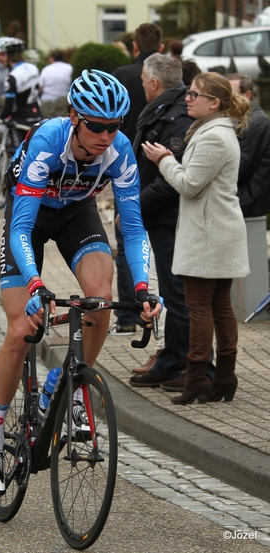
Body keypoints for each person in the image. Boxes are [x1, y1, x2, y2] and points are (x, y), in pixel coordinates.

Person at [0, 69, 162, 495]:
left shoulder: (120, 154)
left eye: (114, 127)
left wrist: (144, 288)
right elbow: (20, 229)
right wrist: (37, 284)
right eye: (96, 126)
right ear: (75, 117)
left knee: (101, 297)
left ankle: (72, 388)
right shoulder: (48, 141)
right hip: (30, 218)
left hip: (77, 213)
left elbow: (132, 230)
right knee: (23, 328)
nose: (106, 136)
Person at [142, 72, 250, 405]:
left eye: (194, 94)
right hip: (217, 231)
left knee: (200, 308)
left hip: (209, 234)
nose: (188, 98)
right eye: (189, 93)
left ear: (214, 103)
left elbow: (189, 184)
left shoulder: (213, 136)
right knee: (219, 308)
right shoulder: (214, 131)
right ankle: (223, 378)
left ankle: (199, 378)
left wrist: (164, 160)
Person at [127, 53, 193, 389]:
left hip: (169, 217)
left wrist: (134, 206)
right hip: (162, 215)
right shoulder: (169, 107)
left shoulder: (177, 115)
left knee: (176, 292)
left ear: (154, 83)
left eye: (142, 80)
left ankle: (180, 362)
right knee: (173, 290)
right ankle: (174, 357)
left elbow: (169, 179)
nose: (141, 84)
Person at [111, 22, 163, 336]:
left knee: (126, 237)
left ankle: (128, 317)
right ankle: (153, 311)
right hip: (160, 167)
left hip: (124, 166)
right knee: (161, 243)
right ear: (159, 48)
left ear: (134, 46)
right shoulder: (167, 77)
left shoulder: (122, 74)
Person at [226, 73, 270, 218]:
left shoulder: (255, 122)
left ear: (248, 94)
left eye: (232, 93)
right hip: (243, 201)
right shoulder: (240, 118)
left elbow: (240, 167)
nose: (227, 99)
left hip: (246, 203)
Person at [0, 37, 42, 152]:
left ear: (7, 55)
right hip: (37, 115)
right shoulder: (34, 68)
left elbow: (9, 107)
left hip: (20, 120)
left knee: (19, 154)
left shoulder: (11, 77)